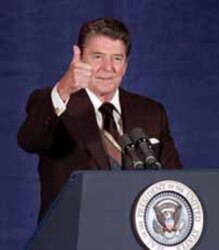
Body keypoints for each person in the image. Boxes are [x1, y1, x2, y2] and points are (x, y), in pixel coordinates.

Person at [17, 18, 182, 221]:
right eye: (97, 57)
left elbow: (175, 182)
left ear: (126, 65)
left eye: (117, 58)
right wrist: (64, 88)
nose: (107, 67)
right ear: (80, 60)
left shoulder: (151, 112)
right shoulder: (55, 103)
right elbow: (29, 140)